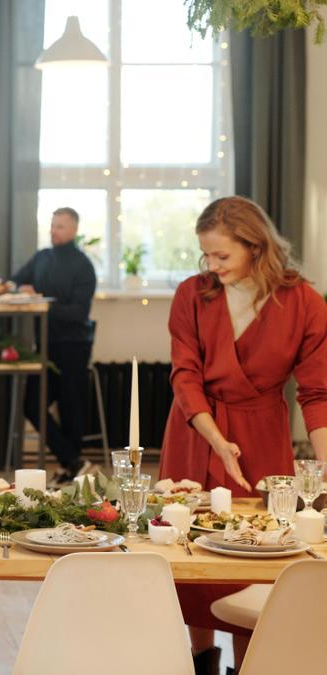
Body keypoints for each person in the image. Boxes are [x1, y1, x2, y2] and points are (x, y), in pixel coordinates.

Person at [160, 196, 327, 674]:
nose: (211, 267)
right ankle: (199, 661)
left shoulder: (305, 303)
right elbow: (185, 376)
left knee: (254, 553)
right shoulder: (193, 294)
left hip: (261, 437)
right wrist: (215, 440)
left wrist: (323, 472)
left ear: (256, 246)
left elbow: (317, 393)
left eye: (222, 256)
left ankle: (250, 665)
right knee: (191, 550)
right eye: (205, 256)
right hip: (197, 429)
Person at [4, 206, 97, 485]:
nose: (54, 231)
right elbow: (16, 280)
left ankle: (72, 467)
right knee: (32, 406)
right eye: (52, 225)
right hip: (44, 347)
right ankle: (75, 462)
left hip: (73, 346)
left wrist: (42, 299)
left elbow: (79, 313)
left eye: (60, 226)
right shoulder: (42, 257)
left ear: (74, 230)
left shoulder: (83, 265)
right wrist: (13, 288)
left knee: (70, 409)